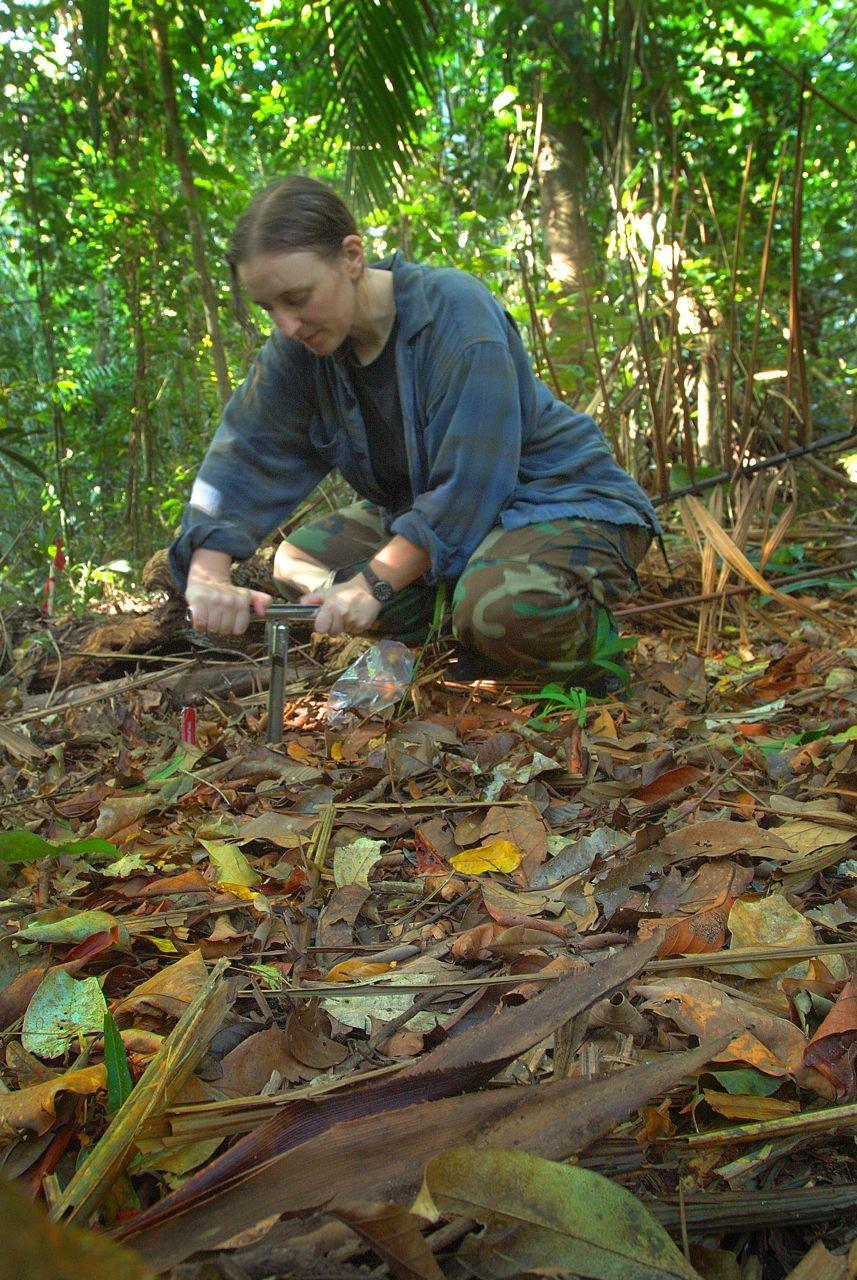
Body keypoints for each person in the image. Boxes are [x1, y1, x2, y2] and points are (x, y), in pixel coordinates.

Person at [169, 175, 659, 677]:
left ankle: (584, 656)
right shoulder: (299, 351)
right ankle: (458, 617)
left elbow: (469, 488)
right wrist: (207, 571)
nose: (287, 325)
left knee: (500, 607)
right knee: (297, 565)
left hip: (554, 499)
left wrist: (370, 587)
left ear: (352, 256)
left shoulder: (455, 313)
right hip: (425, 516)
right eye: (269, 309)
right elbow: (246, 452)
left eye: (297, 298)